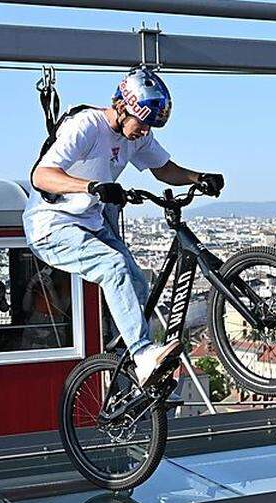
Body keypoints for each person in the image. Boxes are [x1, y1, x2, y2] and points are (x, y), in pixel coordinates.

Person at [23, 67, 225, 385]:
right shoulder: (87, 126)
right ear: (123, 106)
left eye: (150, 126)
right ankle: (143, 353)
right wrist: (92, 187)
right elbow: (41, 176)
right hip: (51, 226)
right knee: (114, 266)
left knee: (138, 285)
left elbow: (163, 169)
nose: (144, 132)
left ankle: (125, 366)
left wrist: (197, 177)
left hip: (89, 222)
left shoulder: (135, 136)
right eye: (142, 123)